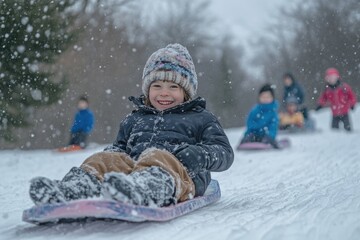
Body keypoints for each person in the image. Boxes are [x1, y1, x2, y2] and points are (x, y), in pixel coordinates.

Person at [29, 43, 234, 207]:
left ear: (186, 93)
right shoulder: (134, 119)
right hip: (131, 173)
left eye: (173, 87)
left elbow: (224, 153)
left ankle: (146, 189)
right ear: (147, 89)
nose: (164, 93)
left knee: (158, 156)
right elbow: (120, 147)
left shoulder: (200, 117)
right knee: (104, 158)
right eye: (157, 86)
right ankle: (75, 188)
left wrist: (199, 155)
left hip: (181, 175)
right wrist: (112, 155)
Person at [240, 84, 280, 148]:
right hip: (254, 134)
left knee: (269, 140)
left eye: (268, 97)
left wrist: (269, 135)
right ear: (259, 97)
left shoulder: (273, 112)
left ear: (272, 98)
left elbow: (273, 126)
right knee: (247, 138)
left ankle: (268, 143)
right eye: (263, 97)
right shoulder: (254, 110)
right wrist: (253, 131)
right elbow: (250, 123)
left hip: (267, 135)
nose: (265, 99)